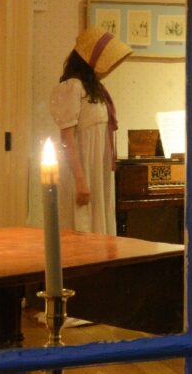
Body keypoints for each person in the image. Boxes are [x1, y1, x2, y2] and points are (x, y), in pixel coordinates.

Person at [49, 25, 133, 235]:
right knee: (82, 224)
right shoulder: (72, 87)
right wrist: (80, 180)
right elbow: (67, 137)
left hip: (97, 169)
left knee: (98, 225)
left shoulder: (95, 90)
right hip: (81, 169)